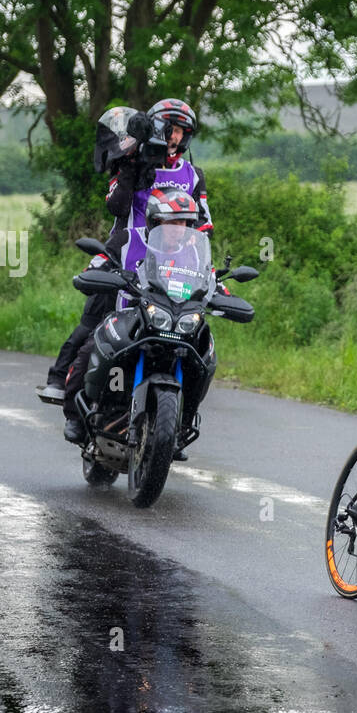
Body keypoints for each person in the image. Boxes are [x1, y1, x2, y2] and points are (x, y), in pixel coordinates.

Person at [39, 98, 212, 401]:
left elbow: (203, 225)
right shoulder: (131, 161)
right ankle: (60, 379)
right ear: (156, 128)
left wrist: (206, 270)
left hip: (172, 261)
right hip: (125, 250)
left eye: (182, 132)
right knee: (94, 322)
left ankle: (174, 413)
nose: (175, 138)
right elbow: (116, 206)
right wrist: (133, 166)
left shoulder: (193, 174)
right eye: (170, 130)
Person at [62, 189, 210, 453]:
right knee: (88, 350)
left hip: (175, 319)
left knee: (204, 356)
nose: (180, 228)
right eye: (173, 221)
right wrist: (94, 272)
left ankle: (183, 423)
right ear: (155, 220)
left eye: (186, 222)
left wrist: (223, 294)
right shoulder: (127, 238)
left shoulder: (194, 252)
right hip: (129, 317)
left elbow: (209, 280)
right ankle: (75, 415)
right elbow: (101, 260)